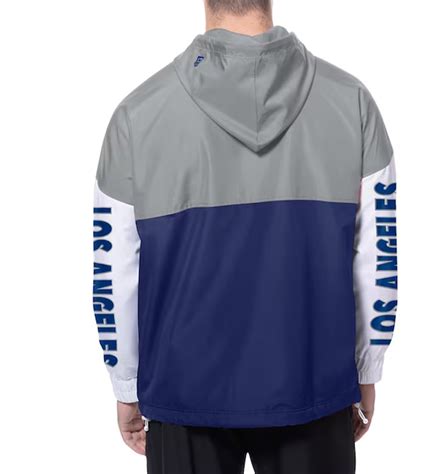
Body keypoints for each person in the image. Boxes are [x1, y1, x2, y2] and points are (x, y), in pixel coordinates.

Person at [92, 0, 397, 472]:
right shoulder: (352, 102)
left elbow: (114, 269)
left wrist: (126, 384)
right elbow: (378, 257)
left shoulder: (137, 114)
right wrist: (367, 368)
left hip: (183, 390)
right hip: (313, 383)